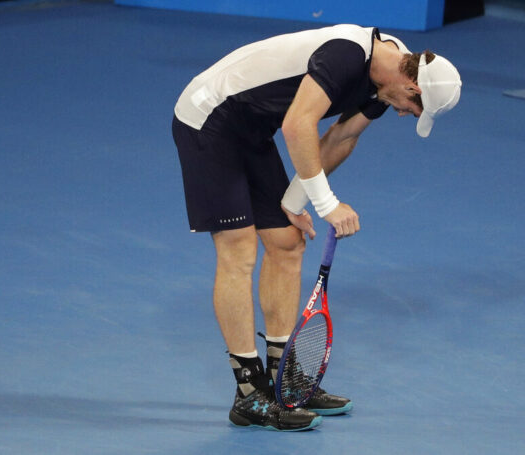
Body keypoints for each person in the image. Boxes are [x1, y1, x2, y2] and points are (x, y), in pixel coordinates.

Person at [171, 24, 461, 431]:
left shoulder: (387, 78)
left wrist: (293, 202)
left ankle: (282, 377)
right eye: (415, 109)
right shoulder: (347, 55)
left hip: (252, 128)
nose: (404, 114)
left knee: (287, 242)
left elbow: (341, 136)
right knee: (239, 248)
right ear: (412, 87)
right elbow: (297, 126)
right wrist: (327, 205)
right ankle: (250, 392)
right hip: (210, 117)